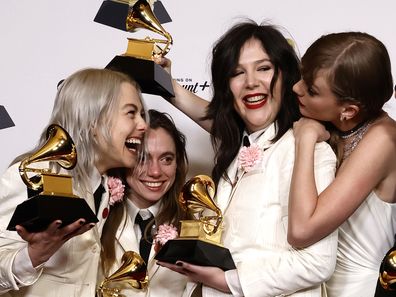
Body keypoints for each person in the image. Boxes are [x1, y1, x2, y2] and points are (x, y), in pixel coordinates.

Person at [156, 20, 338, 297]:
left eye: (264, 68)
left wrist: (227, 280)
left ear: (286, 78)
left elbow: (317, 263)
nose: (251, 82)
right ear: (226, 87)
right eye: (237, 72)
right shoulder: (235, 149)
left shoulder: (309, 151)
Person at [0, 68, 147, 296]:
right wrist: (34, 255)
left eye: (141, 115)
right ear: (93, 121)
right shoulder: (31, 175)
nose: (143, 125)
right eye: (131, 113)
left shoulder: (107, 188)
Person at [288, 32, 396, 297]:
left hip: (359, 290)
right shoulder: (331, 118)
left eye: (311, 89)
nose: (296, 88)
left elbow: (302, 231)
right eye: (302, 76)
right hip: (312, 284)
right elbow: (235, 130)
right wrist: (171, 89)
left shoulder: (384, 138)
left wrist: (306, 140)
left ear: (348, 110)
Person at [99, 109, 189, 296]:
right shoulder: (97, 217)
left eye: (166, 159)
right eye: (142, 158)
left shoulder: (195, 224)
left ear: (177, 164)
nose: (155, 171)